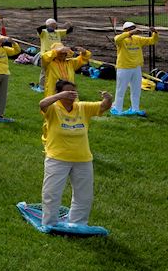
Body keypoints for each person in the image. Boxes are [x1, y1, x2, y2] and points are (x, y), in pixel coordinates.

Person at [37, 80, 113, 229]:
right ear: (59, 93)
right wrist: (60, 96)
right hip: (57, 158)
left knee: (84, 195)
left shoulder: (82, 107)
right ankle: (49, 223)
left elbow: (103, 106)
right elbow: (42, 104)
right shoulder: (53, 108)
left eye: (73, 92)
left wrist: (108, 98)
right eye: (67, 92)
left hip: (83, 158)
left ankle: (78, 223)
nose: (71, 95)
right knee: (52, 193)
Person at [111, 21, 157, 115]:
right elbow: (117, 39)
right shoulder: (121, 39)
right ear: (125, 30)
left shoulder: (137, 39)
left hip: (136, 68)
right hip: (124, 68)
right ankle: (117, 109)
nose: (133, 30)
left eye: (133, 28)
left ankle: (135, 108)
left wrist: (155, 33)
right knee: (121, 90)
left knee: (136, 90)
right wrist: (130, 33)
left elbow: (152, 41)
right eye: (131, 28)